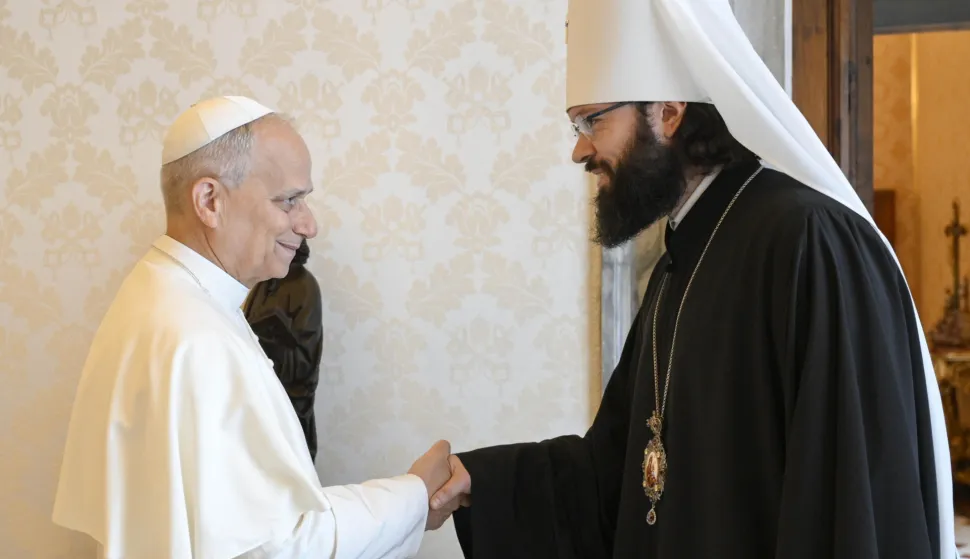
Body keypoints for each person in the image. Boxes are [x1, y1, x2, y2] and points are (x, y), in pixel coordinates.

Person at [427, 1, 958, 558]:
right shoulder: (682, 260)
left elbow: (851, 504)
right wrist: (478, 480)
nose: (580, 148)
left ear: (670, 111)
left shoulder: (810, 241)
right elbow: (619, 476)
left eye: (593, 121)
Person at [51, 95, 457, 559]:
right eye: (289, 200)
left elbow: (257, 518)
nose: (309, 224)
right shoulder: (194, 335)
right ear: (209, 201)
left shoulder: (163, 293)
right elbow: (280, 546)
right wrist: (413, 495)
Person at [244, 238, 323, 463]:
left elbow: (306, 355)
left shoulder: (305, 286)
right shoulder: (263, 282)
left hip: (290, 395)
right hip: (260, 394)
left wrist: (277, 331)